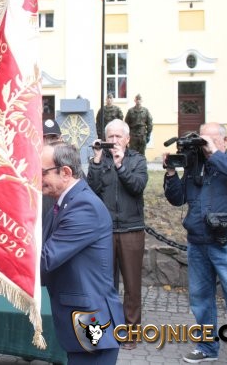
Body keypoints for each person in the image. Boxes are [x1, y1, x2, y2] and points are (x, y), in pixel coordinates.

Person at [0, 141, 124, 365]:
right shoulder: (64, 204)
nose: (36, 178)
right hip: (80, 322)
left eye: (41, 172)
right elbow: (36, 255)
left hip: (93, 323)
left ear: (65, 172)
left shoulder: (84, 207)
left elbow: (43, 260)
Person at [163, 122, 227, 364]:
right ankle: (207, 347)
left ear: (225, 141)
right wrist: (171, 172)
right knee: (201, 300)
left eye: (211, 139)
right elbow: (177, 198)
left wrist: (214, 153)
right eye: (202, 139)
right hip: (198, 243)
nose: (204, 144)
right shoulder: (196, 166)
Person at [86, 119, 148, 350]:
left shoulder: (137, 160)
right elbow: (91, 190)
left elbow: (137, 186)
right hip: (106, 231)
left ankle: (131, 334)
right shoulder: (100, 160)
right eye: (109, 137)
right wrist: (96, 160)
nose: (113, 141)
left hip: (131, 229)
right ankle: (108, 329)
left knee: (132, 286)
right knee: (105, 284)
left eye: (118, 137)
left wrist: (120, 166)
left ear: (127, 139)